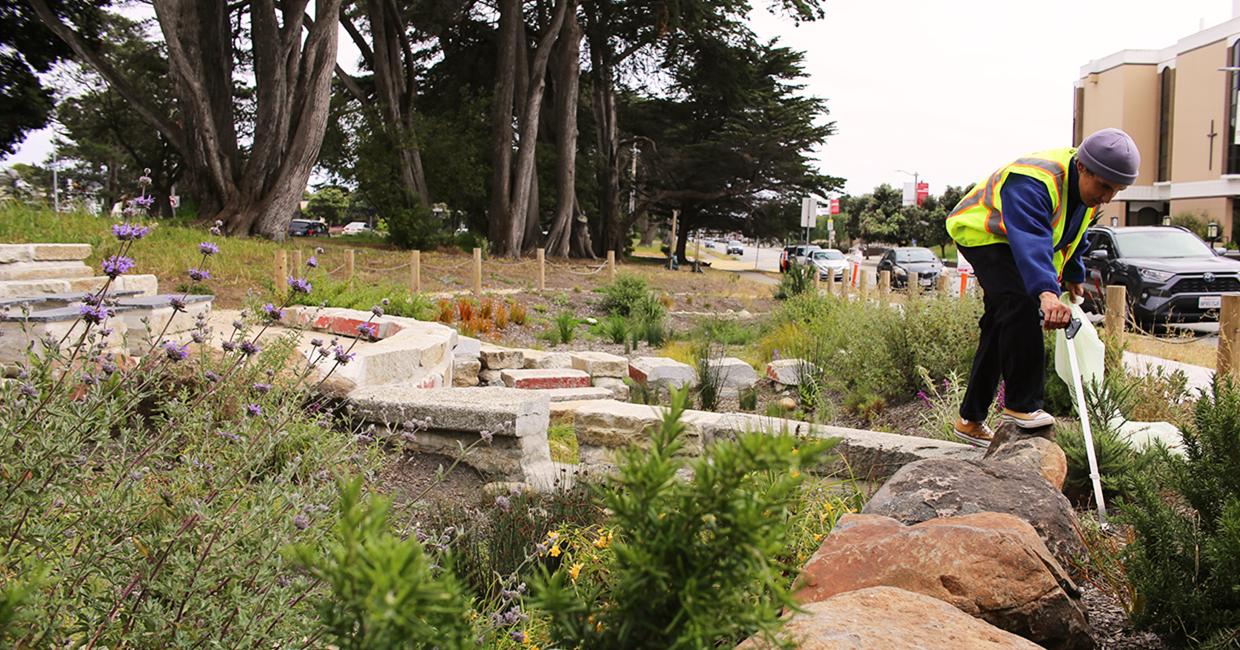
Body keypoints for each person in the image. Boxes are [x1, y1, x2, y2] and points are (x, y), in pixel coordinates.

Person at [945, 128, 1139, 446]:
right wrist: (1046, 293)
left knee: (1000, 322)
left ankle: (970, 419)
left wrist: (1074, 272)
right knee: (1021, 301)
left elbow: (1073, 235)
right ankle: (1022, 405)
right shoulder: (1034, 180)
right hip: (983, 233)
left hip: (1016, 241)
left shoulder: (1087, 189)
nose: (1107, 197)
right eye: (1104, 187)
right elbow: (1031, 240)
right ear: (1081, 167)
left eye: (1115, 191)